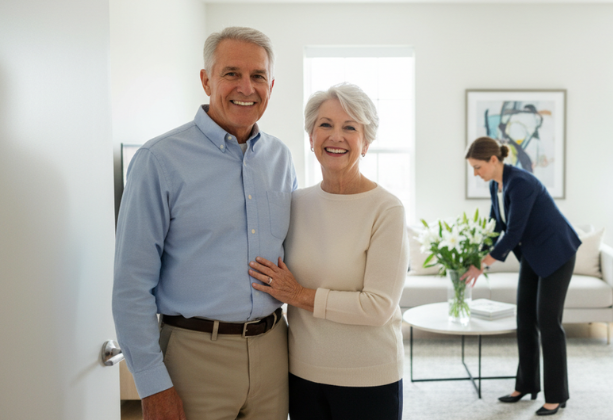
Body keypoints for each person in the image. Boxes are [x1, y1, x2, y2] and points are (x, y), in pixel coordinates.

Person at [112, 27, 295, 420]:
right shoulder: (158, 160)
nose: (246, 87)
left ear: (271, 84)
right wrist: (151, 384)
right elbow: (131, 285)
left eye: (258, 76)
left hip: (273, 350)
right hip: (193, 357)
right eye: (231, 73)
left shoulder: (281, 159)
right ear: (206, 79)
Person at [248, 83, 408, 420]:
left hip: (369, 377)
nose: (336, 136)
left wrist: (300, 295)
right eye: (325, 125)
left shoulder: (386, 209)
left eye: (350, 127)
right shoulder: (295, 203)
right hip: (302, 373)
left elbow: (378, 307)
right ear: (310, 138)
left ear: (366, 143)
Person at [461, 136, 581, 416]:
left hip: (558, 253)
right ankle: (526, 385)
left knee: (548, 322)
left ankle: (556, 395)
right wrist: (474, 256)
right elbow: (494, 228)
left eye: (478, 167)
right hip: (533, 255)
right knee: (525, 319)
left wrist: (483, 265)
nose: (475, 174)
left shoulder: (521, 182)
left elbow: (513, 232)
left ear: (494, 160)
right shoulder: (496, 185)